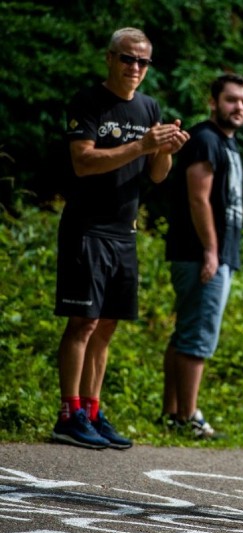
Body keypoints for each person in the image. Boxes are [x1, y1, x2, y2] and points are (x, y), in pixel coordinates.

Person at [52, 28, 189, 449]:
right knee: (84, 321)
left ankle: (92, 410)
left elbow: (157, 175)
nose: (135, 68)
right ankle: (68, 413)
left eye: (142, 62)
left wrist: (164, 149)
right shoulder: (88, 101)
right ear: (110, 58)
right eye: (128, 59)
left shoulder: (149, 107)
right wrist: (142, 144)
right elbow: (83, 162)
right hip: (87, 227)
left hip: (123, 232)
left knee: (107, 325)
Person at [160, 73, 243, 439]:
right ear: (213, 102)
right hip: (201, 254)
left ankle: (172, 414)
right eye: (231, 100)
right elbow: (198, 197)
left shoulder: (225, 143)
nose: (238, 107)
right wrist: (212, 252)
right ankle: (189, 417)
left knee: (186, 333)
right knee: (198, 337)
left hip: (210, 253)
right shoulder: (205, 140)